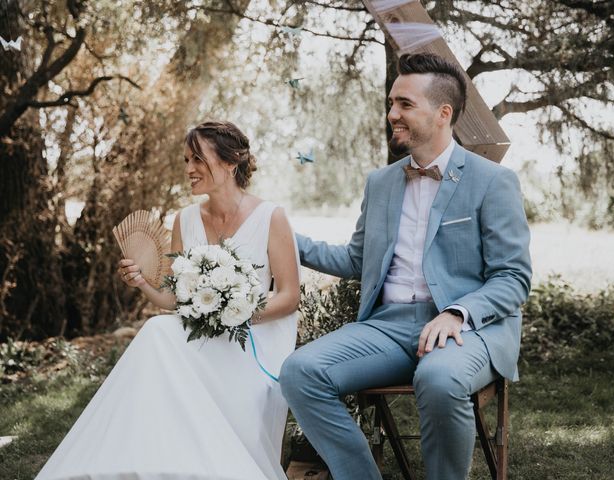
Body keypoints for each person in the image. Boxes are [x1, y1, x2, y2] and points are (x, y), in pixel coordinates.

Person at [279, 53, 532, 480]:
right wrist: (281, 238)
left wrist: (457, 313)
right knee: (300, 372)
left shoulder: (492, 182)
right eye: (392, 103)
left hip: (469, 331)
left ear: (442, 113)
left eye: (405, 105)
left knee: (438, 377)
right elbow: (356, 260)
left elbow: (513, 277)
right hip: (387, 327)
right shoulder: (380, 183)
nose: (392, 113)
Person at [36, 121, 300, 480]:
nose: (189, 169)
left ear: (229, 163)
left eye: (197, 159)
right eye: (186, 160)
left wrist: (236, 312)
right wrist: (143, 283)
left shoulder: (272, 217)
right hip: (201, 337)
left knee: (159, 334)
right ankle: (150, 463)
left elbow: (288, 297)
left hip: (253, 342)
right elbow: (176, 299)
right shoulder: (185, 219)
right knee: (158, 329)